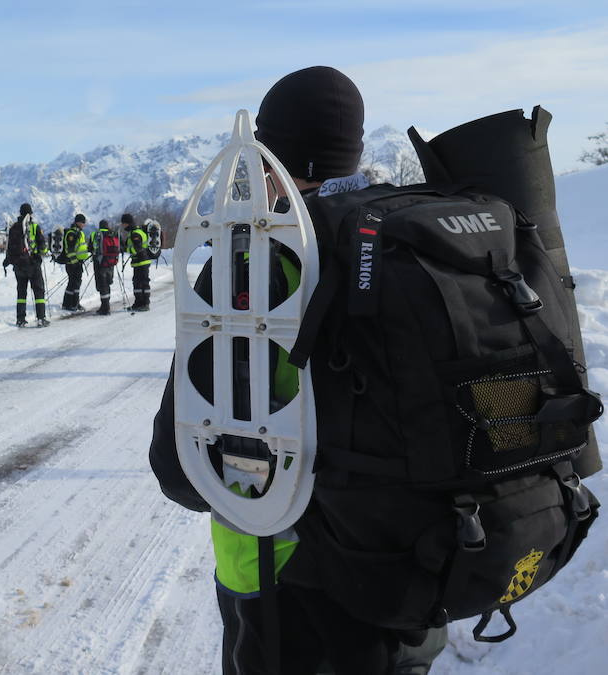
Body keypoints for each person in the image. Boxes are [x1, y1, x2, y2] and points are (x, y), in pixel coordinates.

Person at [149, 67, 447, 674]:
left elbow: (177, 467)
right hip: (411, 573)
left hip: (282, 579)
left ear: (268, 159)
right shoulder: (408, 236)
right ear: (355, 154)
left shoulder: (255, 265)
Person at [4, 202, 50, 327]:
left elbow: (8, 247)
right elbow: (42, 246)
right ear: (30, 214)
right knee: (39, 292)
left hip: (18, 266)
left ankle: (20, 319)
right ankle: (41, 318)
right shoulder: (34, 227)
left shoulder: (13, 228)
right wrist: (42, 254)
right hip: (32, 264)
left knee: (21, 293)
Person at [89, 219, 120, 315]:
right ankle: (106, 305)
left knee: (102, 285)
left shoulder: (95, 234)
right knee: (107, 283)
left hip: (100, 263)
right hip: (111, 262)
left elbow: (90, 248)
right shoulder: (113, 234)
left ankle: (105, 308)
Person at [122, 213, 151, 311]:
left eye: (124, 223)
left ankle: (145, 304)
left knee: (143, 283)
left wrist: (127, 250)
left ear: (127, 223)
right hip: (138, 262)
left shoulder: (135, 233)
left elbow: (137, 249)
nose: (123, 226)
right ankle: (138, 303)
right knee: (137, 284)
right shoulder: (134, 232)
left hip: (142, 262)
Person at [61, 213, 89, 311]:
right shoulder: (72, 233)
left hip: (77, 262)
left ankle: (68, 304)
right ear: (78, 222)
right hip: (72, 263)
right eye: (83, 223)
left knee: (73, 283)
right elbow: (70, 250)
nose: (84, 225)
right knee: (75, 283)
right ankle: (74, 304)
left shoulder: (79, 233)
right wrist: (75, 262)